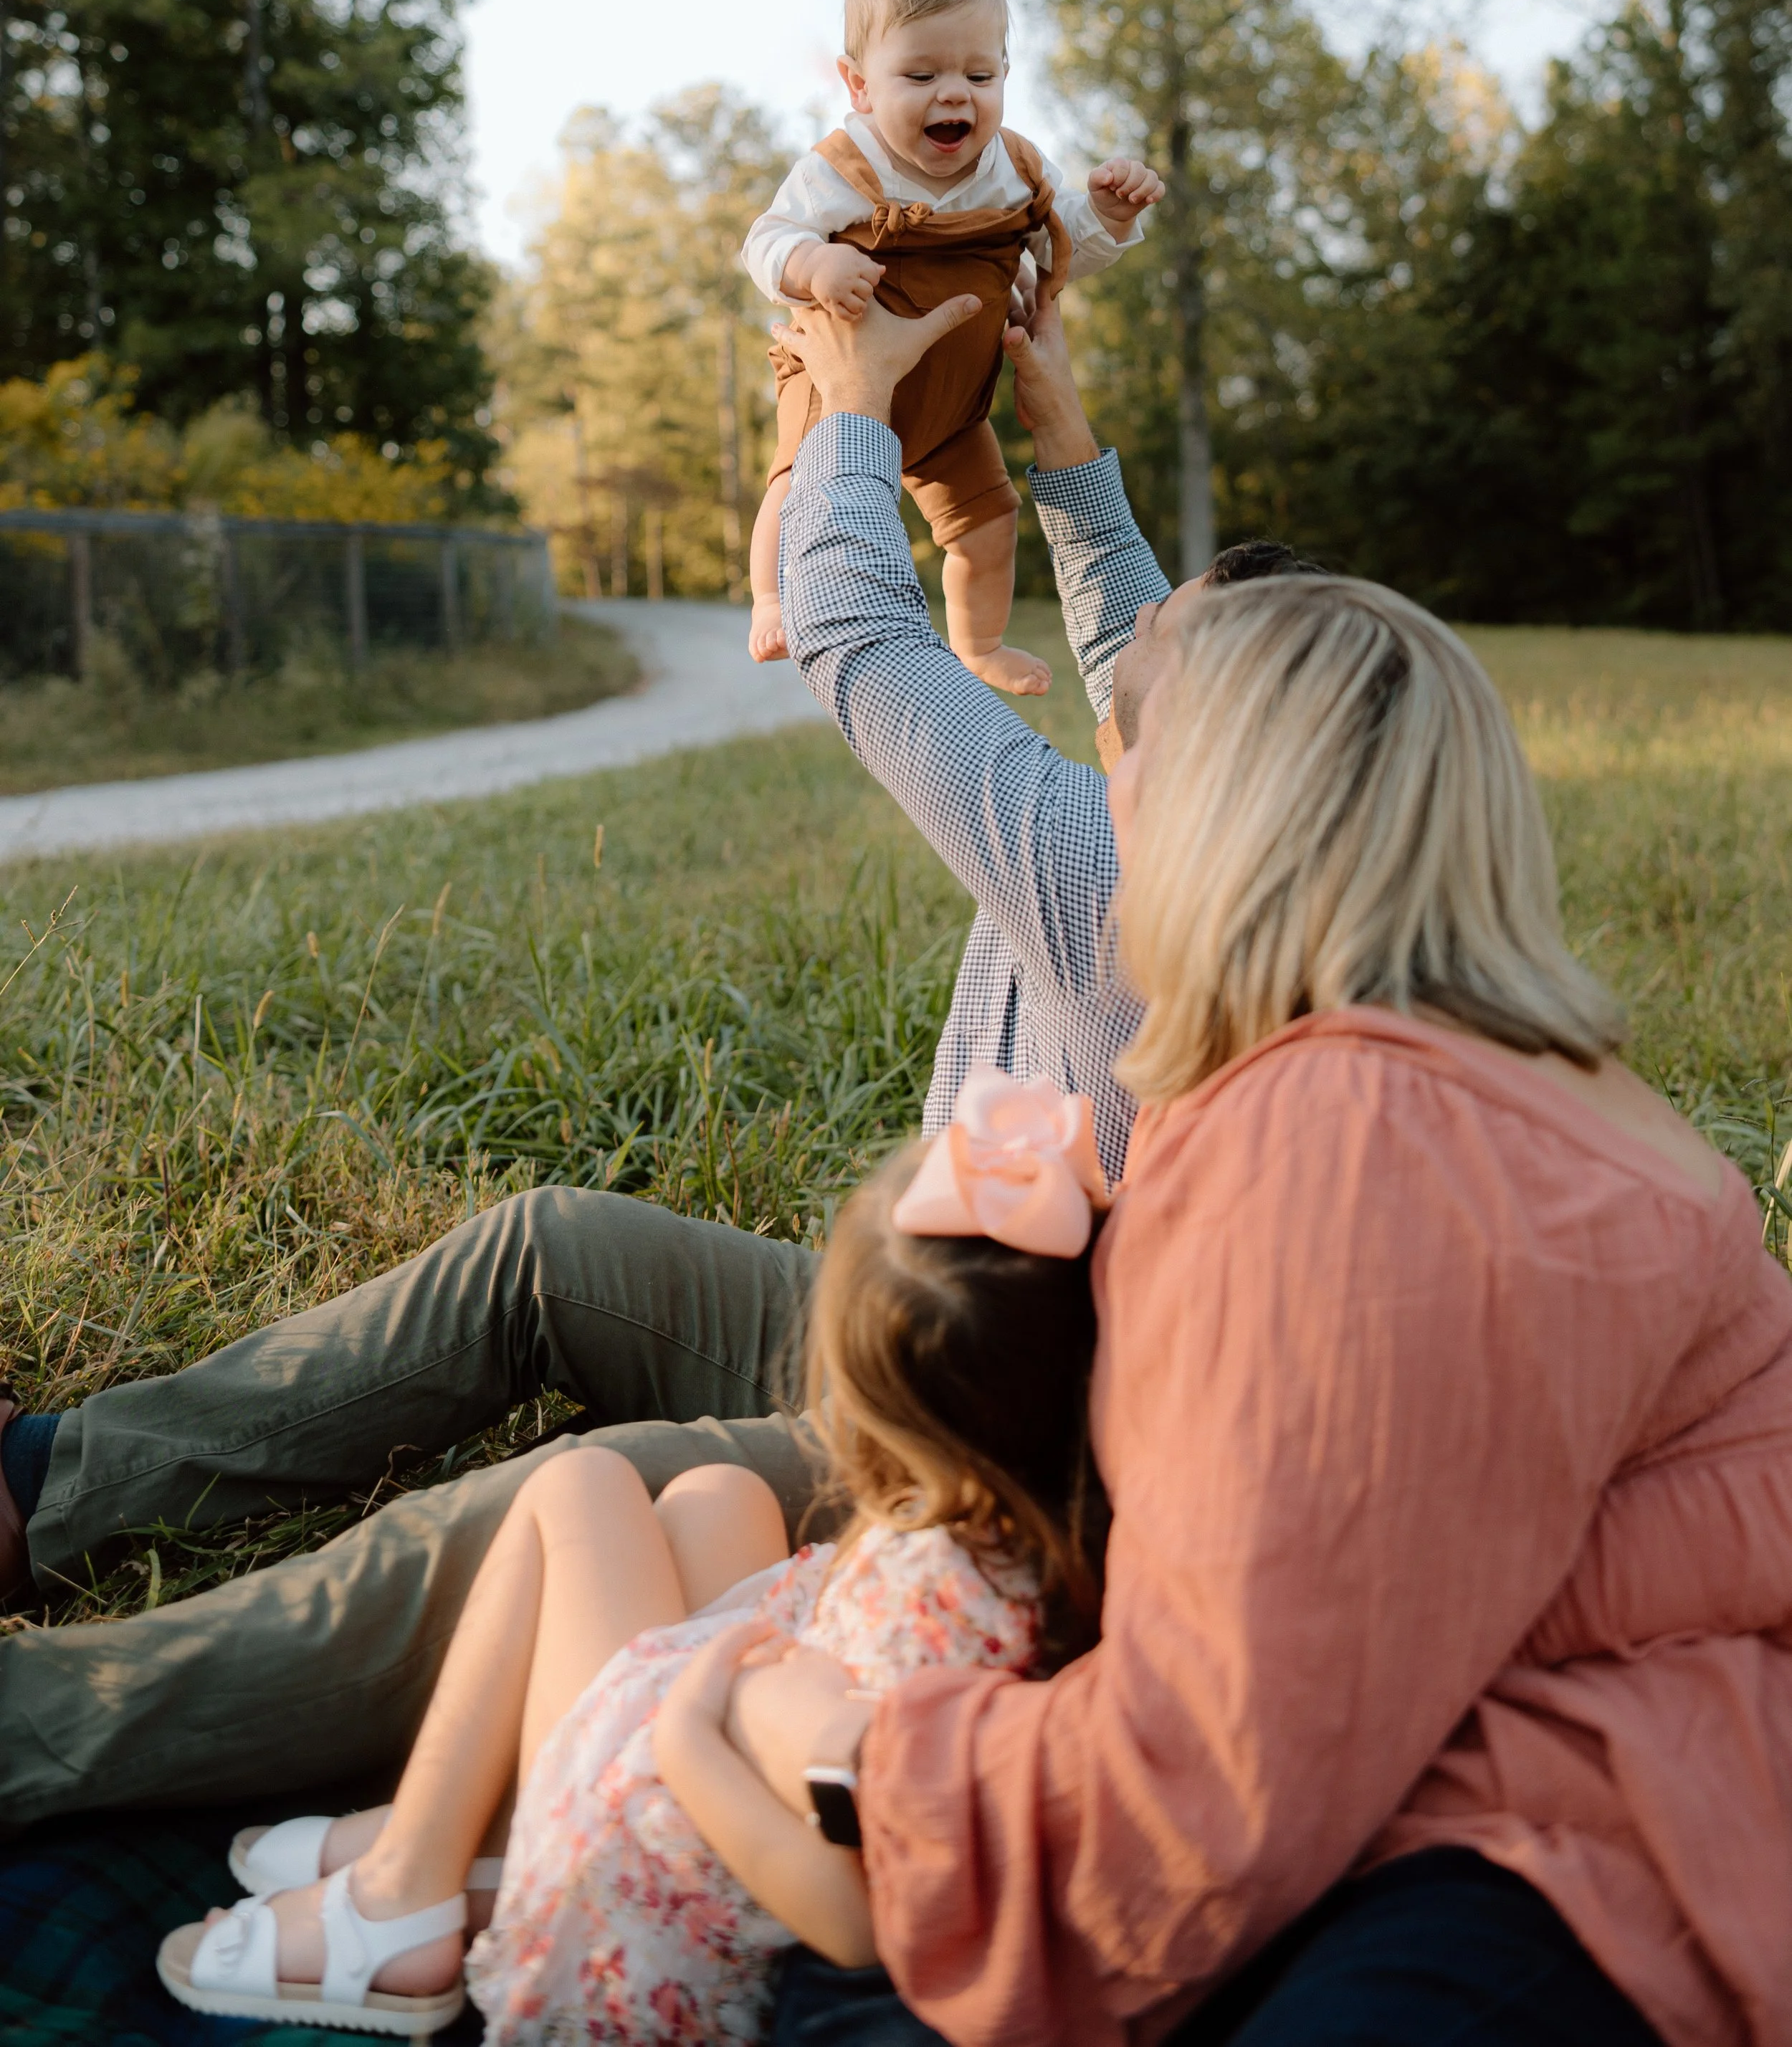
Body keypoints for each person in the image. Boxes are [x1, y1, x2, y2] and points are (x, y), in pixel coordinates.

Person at [0, 282, 1286, 1831]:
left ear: (1197, 749)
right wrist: (1060, 437)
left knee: (554, 1512)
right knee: (547, 1250)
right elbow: (1140, 647)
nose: (1121, 649)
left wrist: (853, 406)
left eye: (1154, 655)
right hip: (942, 1335)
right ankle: (51, 1488)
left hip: (982, 1464)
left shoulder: (1099, 868)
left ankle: (48, 1727)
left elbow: (861, 632)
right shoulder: (1231, 836)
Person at [693, 325, 1792, 2047]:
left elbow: (1185, 1808)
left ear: (1212, 815)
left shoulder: (1346, 1135)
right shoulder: (1528, 1084)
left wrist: (807, 1734)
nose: (1102, 790)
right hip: (1631, 1787)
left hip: (1578, 1859)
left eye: (1130, 755)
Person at [154, 1077, 1108, 2039]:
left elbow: (855, 1918)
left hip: (642, 1935)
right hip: (706, 1789)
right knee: (719, 1494)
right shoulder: (1001, 1543)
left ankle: (401, 1897)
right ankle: (477, 1840)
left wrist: (687, 1738)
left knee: (581, 1491)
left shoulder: (932, 1624)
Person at [740, 0, 1161, 690]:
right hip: (840, 388)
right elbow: (765, 241)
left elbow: (1064, 254)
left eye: (979, 72)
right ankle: (770, 596)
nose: (954, 94)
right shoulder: (843, 167)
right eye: (921, 72)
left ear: (1004, 73)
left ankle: (978, 645)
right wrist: (814, 262)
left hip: (953, 411)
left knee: (989, 521)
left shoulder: (1017, 171)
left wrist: (1109, 214)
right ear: (859, 85)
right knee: (796, 483)